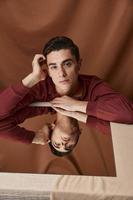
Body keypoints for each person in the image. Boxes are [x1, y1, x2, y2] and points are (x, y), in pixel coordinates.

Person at [0, 36, 133, 155]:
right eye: (54, 67)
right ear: (48, 71)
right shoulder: (42, 88)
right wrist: (33, 77)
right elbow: (127, 126)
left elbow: (128, 114)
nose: (61, 74)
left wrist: (76, 105)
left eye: (67, 64)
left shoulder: (92, 86)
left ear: (79, 64)